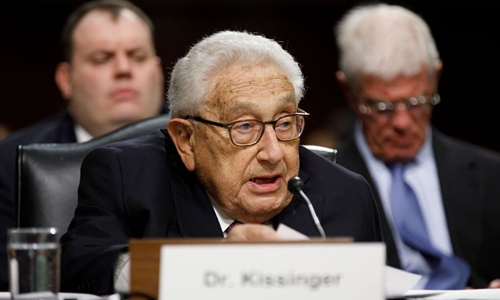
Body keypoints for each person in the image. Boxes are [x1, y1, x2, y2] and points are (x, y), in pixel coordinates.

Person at [59, 30, 383, 295]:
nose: (272, 153)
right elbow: (77, 268)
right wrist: (209, 268)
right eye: (244, 126)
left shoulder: (345, 194)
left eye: (284, 123)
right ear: (186, 140)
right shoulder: (127, 176)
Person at [0, 0, 166, 291]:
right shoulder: (8, 162)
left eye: (137, 56)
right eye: (102, 58)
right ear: (66, 80)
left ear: (159, 72)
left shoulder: (205, 144)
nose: (124, 69)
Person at [333, 3, 500, 290]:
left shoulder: (492, 175)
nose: (402, 122)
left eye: (417, 102)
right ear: (349, 92)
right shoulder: (322, 183)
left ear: (436, 78)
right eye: (382, 107)